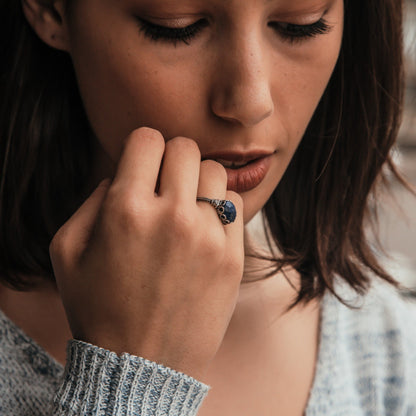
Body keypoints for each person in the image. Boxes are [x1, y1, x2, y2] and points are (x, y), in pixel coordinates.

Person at [0, 0, 415, 414]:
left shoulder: (388, 350)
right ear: (52, 10)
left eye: (299, 26)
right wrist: (132, 379)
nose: (251, 103)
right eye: (177, 27)